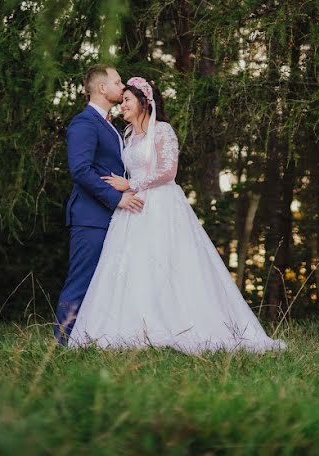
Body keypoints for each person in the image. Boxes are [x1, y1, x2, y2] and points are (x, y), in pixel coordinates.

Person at [68, 76, 285, 354]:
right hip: (132, 209)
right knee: (134, 267)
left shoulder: (163, 130)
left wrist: (131, 185)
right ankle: (132, 327)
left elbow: (169, 171)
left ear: (144, 102)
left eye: (127, 100)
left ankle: (180, 324)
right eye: (122, 100)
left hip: (162, 206)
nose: (123, 105)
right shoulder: (128, 136)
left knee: (169, 263)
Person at [55, 64, 145, 344]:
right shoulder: (84, 123)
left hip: (111, 218)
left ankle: (92, 338)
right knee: (81, 280)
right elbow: (80, 170)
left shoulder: (111, 126)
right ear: (102, 88)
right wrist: (117, 198)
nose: (123, 87)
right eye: (118, 82)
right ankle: (61, 342)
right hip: (91, 216)